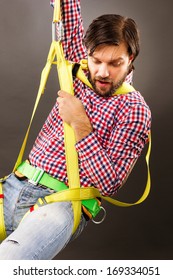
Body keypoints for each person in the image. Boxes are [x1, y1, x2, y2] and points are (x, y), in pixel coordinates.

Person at [0, 0, 151, 259]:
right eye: (96, 60)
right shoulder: (77, 71)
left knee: (8, 264)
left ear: (131, 58)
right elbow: (67, 6)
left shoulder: (134, 109)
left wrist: (80, 123)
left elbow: (110, 182)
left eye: (115, 63)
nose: (103, 72)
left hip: (62, 203)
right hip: (14, 186)